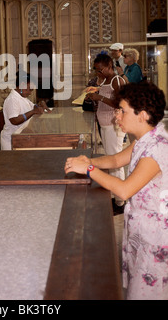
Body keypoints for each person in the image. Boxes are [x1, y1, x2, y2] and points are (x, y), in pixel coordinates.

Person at [64, 81, 168, 300]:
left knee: (146, 293)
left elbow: (124, 190)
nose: (116, 116)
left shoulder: (157, 147)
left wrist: (89, 169)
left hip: (155, 238)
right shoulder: (145, 139)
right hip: (142, 230)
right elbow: (116, 159)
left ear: (142, 115)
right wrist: (88, 160)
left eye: (122, 111)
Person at [86, 54, 126, 212]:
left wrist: (100, 97)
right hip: (105, 125)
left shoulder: (117, 80)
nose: (98, 73)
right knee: (111, 162)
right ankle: (116, 197)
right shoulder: (104, 80)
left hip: (113, 127)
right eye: (96, 70)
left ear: (110, 67)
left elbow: (121, 103)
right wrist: (94, 94)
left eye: (100, 69)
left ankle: (120, 202)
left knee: (116, 163)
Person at [0, 70, 48, 150]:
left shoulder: (22, 98)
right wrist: (33, 112)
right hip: (11, 141)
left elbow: (33, 107)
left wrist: (40, 104)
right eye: (29, 89)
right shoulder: (12, 99)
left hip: (21, 138)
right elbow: (14, 120)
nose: (30, 93)